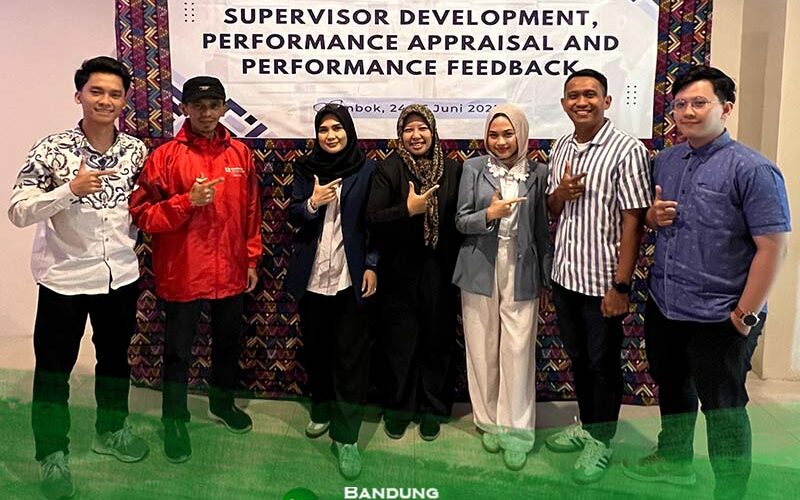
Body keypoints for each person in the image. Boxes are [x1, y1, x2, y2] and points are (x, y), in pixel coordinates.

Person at [622, 65, 790, 500]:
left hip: (721, 315)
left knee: (724, 409)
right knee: (673, 389)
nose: (688, 112)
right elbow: (652, 219)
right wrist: (652, 217)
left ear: (725, 108)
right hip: (667, 305)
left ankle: (730, 491)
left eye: (700, 103)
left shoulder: (754, 169)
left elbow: (773, 247)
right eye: (680, 104)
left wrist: (744, 315)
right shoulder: (666, 160)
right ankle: (675, 461)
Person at [8, 56, 149, 499]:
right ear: (79, 96)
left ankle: (111, 430)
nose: (105, 100)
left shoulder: (136, 151)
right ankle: (52, 453)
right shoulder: (51, 149)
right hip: (64, 278)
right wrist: (68, 190)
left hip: (119, 276)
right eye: (96, 91)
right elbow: (17, 210)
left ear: (124, 101)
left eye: (114, 94)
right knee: (54, 371)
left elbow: (145, 207)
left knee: (115, 361)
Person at [129, 76, 261, 464]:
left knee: (228, 344)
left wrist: (251, 258)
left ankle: (222, 404)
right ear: (184, 108)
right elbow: (142, 214)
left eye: (213, 105)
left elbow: (251, 210)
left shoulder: (240, 154)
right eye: (198, 106)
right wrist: (187, 202)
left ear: (224, 108)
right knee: (177, 353)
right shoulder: (165, 157)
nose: (206, 113)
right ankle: (174, 419)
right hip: (183, 270)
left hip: (231, 269)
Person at [544, 69, 652, 483]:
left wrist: (621, 285)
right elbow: (553, 208)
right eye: (573, 95)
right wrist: (560, 193)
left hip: (603, 283)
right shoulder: (560, 146)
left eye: (590, 94)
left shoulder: (627, 150)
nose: (581, 101)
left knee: (603, 363)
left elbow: (634, 221)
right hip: (565, 276)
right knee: (579, 359)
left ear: (606, 101)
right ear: (564, 104)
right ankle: (589, 427)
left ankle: (601, 441)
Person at [452, 104, 551, 471]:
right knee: (481, 347)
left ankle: (518, 432)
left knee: (517, 350)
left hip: (522, 270)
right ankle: (488, 421)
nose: (500, 141)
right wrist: (488, 216)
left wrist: (545, 278)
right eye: (493, 135)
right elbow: (460, 221)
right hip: (479, 267)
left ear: (521, 134)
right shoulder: (474, 168)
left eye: (508, 134)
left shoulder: (538, 172)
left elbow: (542, 230)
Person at [284, 102, 377, 480]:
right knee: (317, 348)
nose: (330, 135)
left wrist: (372, 264)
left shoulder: (367, 169)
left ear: (349, 131)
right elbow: (293, 214)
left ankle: (347, 437)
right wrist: (312, 203)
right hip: (312, 276)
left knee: (350, 356)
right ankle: (321, 408)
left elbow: (374, 223)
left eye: (337, 128)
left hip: (348, 276)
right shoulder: (306, 168)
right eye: (323, 129)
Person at [366, 104, 462, 442]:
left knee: (437, 341)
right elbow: (373, 218)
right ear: (400, 134)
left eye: (422, 128)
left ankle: (432, 409)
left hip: (440, 270)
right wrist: (407, 210)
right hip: (399, 271)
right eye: (409, 129)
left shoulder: (452, 170)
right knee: (400, 344)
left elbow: (460, 220)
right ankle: (399, 409)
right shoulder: (389, 168)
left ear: (433, 132)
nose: (416, 135)